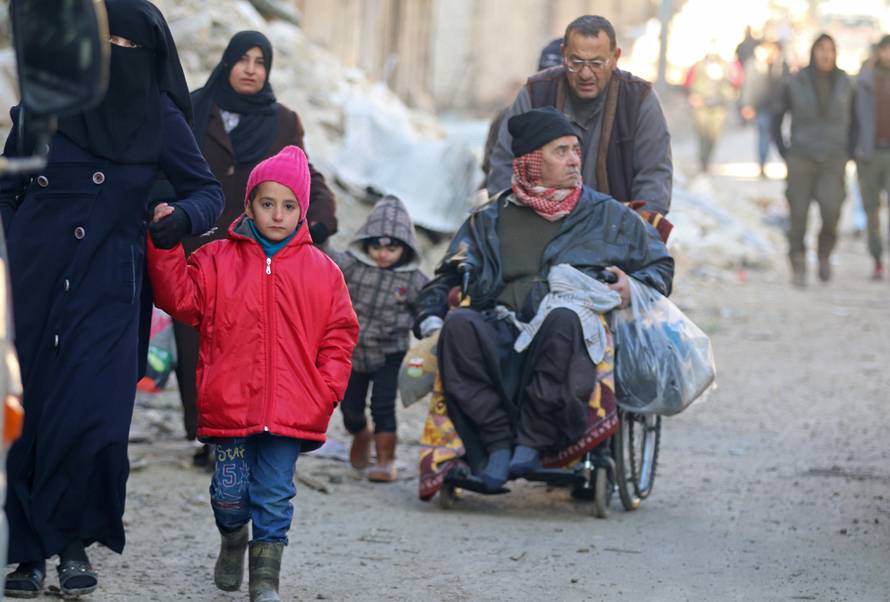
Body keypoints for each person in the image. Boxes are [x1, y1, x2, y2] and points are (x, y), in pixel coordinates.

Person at [0, 1, 224, 597]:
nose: (116, 57)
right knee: (31, 416)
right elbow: (6, 185)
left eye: (129, 48)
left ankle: (72, 541)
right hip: (32, 284)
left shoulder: (159, 116)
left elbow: (207, 191)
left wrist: (180, 217)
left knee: (92, 420)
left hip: (109, 288)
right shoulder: (45, 108)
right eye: (106, 44)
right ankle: (27, 554)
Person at [413, 107, 673, 492]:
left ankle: (531, 442)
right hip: (502, 325)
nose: (573, 160)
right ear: (531, 162)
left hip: (564, 332)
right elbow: (449, 273)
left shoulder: (607, 215)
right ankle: (498, 445)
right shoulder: (489, 219)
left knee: (565, 319)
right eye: (560, 151)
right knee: (460, 327)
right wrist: (430, 314)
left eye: (575, 150)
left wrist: (631, 287)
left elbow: (660, 266)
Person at [147, 146, 358, 602]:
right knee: (229, 494)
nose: (277, 215)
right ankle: (232, 537)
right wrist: (165, 247)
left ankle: (265, 580)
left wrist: (327, 390)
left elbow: (340, 335)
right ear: (248, 205)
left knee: (275, 493)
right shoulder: (216, 259)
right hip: (231, 402)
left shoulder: (323, 272)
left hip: (293, 407)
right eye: (268, 204)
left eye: (289, 206)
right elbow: (180, 300)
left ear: (301, 211)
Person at [171, 30, 339, 462]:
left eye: (260, 61)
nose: (251, 69)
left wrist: (317, 220)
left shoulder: (282, 121)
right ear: (227, 63)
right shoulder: (192, 107)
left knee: (246, 347)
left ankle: (245, 430)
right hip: (198, 247)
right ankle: (206, 433)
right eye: (243, 59)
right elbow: (166, 165)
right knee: (196, 347)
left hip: (256, 249)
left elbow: (303, 173)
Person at [486, 15, 673, 219]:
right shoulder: (536, 93)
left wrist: (635, 229)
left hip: (614, 228)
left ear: (615, 58)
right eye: (576, 62)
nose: (585, 74)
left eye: (596, 63)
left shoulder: (639, 100)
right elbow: (504, 166)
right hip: (542, 225)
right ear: (563, 54)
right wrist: (516, 222)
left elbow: (654, 178)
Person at [326, 195, 428, 482]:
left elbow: (429, 305)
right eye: (376, 247)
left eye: (392, 248)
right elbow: (325, 259)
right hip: (353, 350)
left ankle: (386, 460)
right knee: (349, 407)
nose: (383, 255)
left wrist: (429, 323)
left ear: (404, 249)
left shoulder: (414, 280)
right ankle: (361, 434)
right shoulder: (352, 266)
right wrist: (319, 237)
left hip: (390, 352)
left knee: (383, 405)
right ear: (366, 244)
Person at [772, 34, 853, 287]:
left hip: (833, 157)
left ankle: (824, 254)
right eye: (821, 49)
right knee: (798, 214)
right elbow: (777, 116)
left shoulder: (846, 83)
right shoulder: (796, 81)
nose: (825, 54)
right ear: (813, 52)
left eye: (830, 49)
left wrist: (849, 151)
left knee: (832, 210)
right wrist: (784, 150)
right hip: (801, 157)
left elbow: (858, 120)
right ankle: (797, 262)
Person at [481, 38, 563, 186]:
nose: (549, 84)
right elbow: (493, 165)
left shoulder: (573, 120)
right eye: (544, 74)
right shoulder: (511, 117)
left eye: (556, 77)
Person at [852, 34, 890, 280]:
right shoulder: (863, 81)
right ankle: (877, 259)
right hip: (870, 154)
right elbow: (851, 118)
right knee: (872, 211)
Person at [684, 51, 738, 173]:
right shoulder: (698, 66)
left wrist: (729, 96)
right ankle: (703, 162)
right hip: (702, 105)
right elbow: (688, 83)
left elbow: (735, 83)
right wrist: (693, 96)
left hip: (719, 106)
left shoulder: (727, 67)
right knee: (702, 134)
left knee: (714, 135)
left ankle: (708, 159)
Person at [741, 40, 787, 177]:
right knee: (763, 134)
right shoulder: (754, 65)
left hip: (777, 108)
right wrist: (747, 104)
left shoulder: (781, 66)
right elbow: (748, 86)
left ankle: (768, 160)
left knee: (773, 135)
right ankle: (762, 163)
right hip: (761, 106)